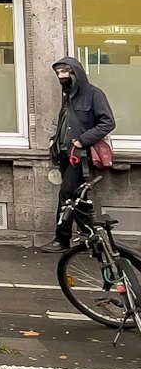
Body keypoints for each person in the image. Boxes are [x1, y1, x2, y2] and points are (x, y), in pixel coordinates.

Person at [40, 57, 117, 252]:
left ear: (75, 72)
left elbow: (108, 122)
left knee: (67, 195)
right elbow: (65, 123)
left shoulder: (94, 94)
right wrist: (54, 138)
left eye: (64, 72)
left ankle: (62, 239)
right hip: (65, 154)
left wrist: (83, 139)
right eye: (58, 73)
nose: (60, 76)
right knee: (78, 197)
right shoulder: (68, 96)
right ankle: (90, 237)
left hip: (81, 155)